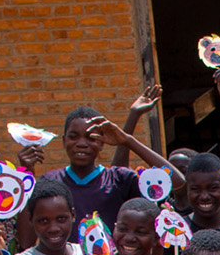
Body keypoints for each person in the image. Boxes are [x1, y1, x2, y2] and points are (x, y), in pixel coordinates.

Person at [19, 99, 186, 232]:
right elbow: (26, 241)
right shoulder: (50, 182)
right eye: (73, 137)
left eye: (91, 138)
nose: (81, 144)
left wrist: (128, 141)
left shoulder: (119, 179)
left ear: (102, 143)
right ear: (64, 141)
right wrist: (26, 173)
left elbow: (177, 182)